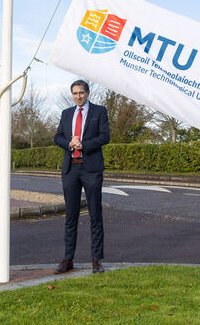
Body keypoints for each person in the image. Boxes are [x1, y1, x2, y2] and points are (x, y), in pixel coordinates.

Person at [53, 80, 110, 274]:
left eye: (81, 93)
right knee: (71, 216)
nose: (78, 96)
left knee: (95, 214)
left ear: (88, 93)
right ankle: (68, 259)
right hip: (71, 169)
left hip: (91, 169)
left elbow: (105, 136)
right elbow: (57, 137)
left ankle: (96, 260)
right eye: (75, 93)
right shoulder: (66, 113)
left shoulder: (99, 111)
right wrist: (69, 144)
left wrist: (83, 145)